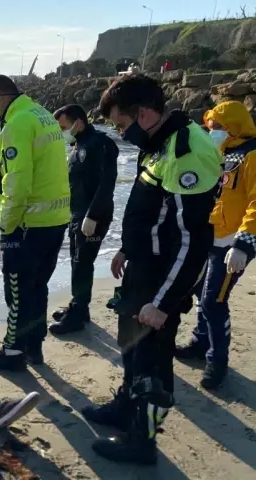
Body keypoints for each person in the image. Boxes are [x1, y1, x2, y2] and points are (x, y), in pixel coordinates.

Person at [81, 74, 221, 465]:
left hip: (163, 279)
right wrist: (128, 248)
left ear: (143, 114)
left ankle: (143, 442)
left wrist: (162, 303)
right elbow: (151, 207)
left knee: (152, 363)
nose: (120, 134)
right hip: (142, 269)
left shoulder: (187, 151)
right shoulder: (157, 142)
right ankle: (126, 408)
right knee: (131, 348)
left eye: (122, 124)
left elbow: (193, 241)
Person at [0, 74, 70, 371]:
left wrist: (7, 228)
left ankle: (12, 352)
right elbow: (18, 173)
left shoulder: (16, 125)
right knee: (37, 287)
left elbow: (19, 183)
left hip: (29, 224)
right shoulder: (41, 115)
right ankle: (33, 347)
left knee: (16, 290)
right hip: (55, 220)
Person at [175, 101, 256, 389]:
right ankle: (200, 341)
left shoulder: (252, 155)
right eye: (212, 127)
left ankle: (216, 361)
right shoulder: (224, 153)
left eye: (220, 127)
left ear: (235, 126)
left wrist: (244, 246)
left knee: (214, 301)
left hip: (232, 245)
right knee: (201, 294)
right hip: (212, 238)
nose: (214, 132)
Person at [50, 104, 119, 334]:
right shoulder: (77, 144)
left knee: (82, 263)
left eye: (63, 127)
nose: (61, 132)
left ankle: (77, 316)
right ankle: (79, 306)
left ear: (78, 122)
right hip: (77, 213)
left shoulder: (100, 144)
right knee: (76, 260)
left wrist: (93, 215)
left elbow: (106, 183)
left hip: (93, 215)